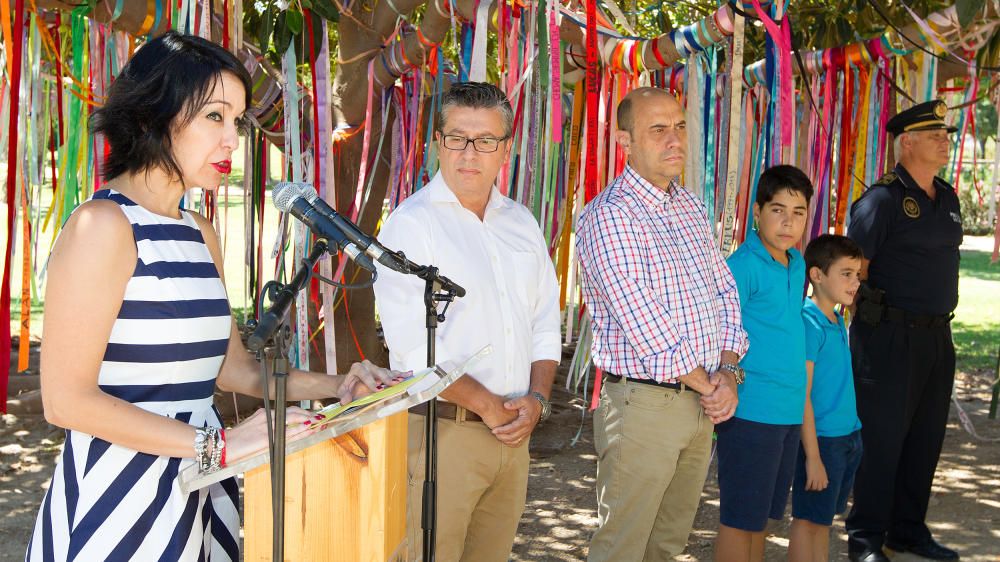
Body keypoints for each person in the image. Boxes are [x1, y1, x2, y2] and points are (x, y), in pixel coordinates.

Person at [26, 31, 394, 562]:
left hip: (199, 487)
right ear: (154, 115)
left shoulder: (201, 233)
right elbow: (65, 401)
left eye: (238, 121)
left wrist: (342, 387)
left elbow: (234, 372)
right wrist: (217, 445)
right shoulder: (102, 226)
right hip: (117, 505)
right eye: (214, 117)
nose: (233, 139)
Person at [372, 82, 561, 562]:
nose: (469, 153)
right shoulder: (411, 225)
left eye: (485, 140)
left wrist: (536, 400)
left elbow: (543, 322)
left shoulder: (521, 222)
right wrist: (488, 405)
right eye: (457, 137)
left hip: (513, 435)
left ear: (507, 148)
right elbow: (413, 352)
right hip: (443, 434)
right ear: (437, 143)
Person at [575, 87, 748, 561]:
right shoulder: (609, 216)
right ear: (623, 139)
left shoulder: (689, 206)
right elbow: (643, 322)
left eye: (679, 126)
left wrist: (729, 375)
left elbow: (725, 294)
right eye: (658, 129)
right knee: (622, 547)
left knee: (668, 544)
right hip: (645, 404)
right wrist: (711, 387)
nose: (674, 139)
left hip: (701, 400)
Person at [845, 100, 963, 562]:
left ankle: (907, 531)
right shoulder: (882, 199)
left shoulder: (948, 197)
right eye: (935, 134)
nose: (944, 140)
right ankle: (866, 539)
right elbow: (854, 270)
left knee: (925, 438)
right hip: (889, 338)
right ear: (906, 143)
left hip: (937, 337)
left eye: (947, 134)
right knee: (882, 440)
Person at [716, 165, 814, 562]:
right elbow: (723, 336)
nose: (789, 222)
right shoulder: (743, 266)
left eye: (799, 212)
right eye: (778, 210)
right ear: (757, 212)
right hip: (752, 411)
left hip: (788, 412)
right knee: (739, 521)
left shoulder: (798, 263)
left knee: (761, 521)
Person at [788, 235, 864, 562]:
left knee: (823, 522)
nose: (855, 282)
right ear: (817, 275)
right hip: (822, 443)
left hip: (848, 438)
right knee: (808, 522)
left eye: (858, 274)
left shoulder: (837, 318)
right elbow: (802, 396)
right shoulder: (809, 323)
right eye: (846, 273)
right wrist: (813, 457)